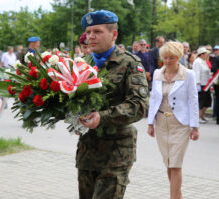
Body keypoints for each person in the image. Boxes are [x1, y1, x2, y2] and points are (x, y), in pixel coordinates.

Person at [77, 10, 149, 199]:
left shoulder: (130, 63)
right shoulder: (83, 64)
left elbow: (139, 105)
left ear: (114, 34)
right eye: (89, 31)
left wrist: (103, 117)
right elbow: (75, 101)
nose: (90, 36)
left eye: (97, 31)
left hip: (116, 153)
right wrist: (75, 119)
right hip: (87, 151)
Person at [147, 41, 199, 199]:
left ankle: (174, 197)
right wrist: (150, 124)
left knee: (176, 164)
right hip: (162, 123)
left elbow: (193, 100)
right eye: (165, 57)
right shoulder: (157, 73)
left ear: (179, 57)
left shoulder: (188, 74)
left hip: (180, 124)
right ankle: (178, 195)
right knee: (168, 163)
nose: (168, 61)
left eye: (172, 58)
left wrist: (194, 126)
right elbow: (154, 99)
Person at [192, 47, 211, 123]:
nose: (207, 55)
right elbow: (197, 73)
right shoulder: (197, 62)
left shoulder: (203, 61)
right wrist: (197, 84)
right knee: (202, 100)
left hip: (206, 83)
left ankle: (202, 115)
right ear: (202, 54)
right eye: (206, 53)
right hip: (201, 84)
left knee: (207, 100)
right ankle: (199, 117)